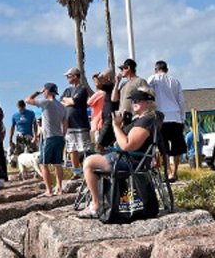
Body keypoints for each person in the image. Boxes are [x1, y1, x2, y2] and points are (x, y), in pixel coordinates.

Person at [77, 89, 158, 218]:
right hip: (125, 157)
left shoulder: (146, 121)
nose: (134, 102)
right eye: (133, 100)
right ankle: (103, 201)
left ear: (148, 102)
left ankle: (96, 205)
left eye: (139, 100)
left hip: (131, 161)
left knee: (89, 163)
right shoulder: (140, 119)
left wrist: (115, 126)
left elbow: (127, 145)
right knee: (87, 157)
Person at [149, 60, 187, 180]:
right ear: (167, 69)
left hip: (161, 117)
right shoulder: (175, 81)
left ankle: (167, 172)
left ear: (156, 69)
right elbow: (181, 101)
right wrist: (182, 118)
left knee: (163, 148)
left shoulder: (152, 79)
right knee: (177, 148)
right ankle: (175, 172)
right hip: (175, 116)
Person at [27, 82, 67, 195]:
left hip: (48, 137)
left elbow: (28, 100)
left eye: (44, 91)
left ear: (47, 91)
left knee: (43, 164)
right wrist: (63, 135)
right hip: (59, 136)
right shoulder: (61, 106)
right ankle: (60, 188)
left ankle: (49, 190)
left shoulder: (46, 102)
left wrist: (37, 92)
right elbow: (65, 122)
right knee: (58, 164)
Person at [60, 67, 92, 177]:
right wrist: (69, 101)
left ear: (75, 76)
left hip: (81, 124)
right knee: (72, 149)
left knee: (84, 149)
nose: (67, 78)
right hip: (69, 125)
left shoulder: (82, 89)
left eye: (68, 76)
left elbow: (74, 101)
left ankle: (89, 171)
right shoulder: (67, 90)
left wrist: (70, 101)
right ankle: (76, 172)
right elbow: (62, 100)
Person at [89, 70, 116, 150]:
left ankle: (101, 161)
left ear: (108, 78)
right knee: (104, 145)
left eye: (102, 77)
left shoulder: (111, 86)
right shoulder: (108, 88)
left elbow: (98, 85)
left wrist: (95, 77)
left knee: (99, 145)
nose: (101, 79)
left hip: (109, 120)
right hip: (104, 120)